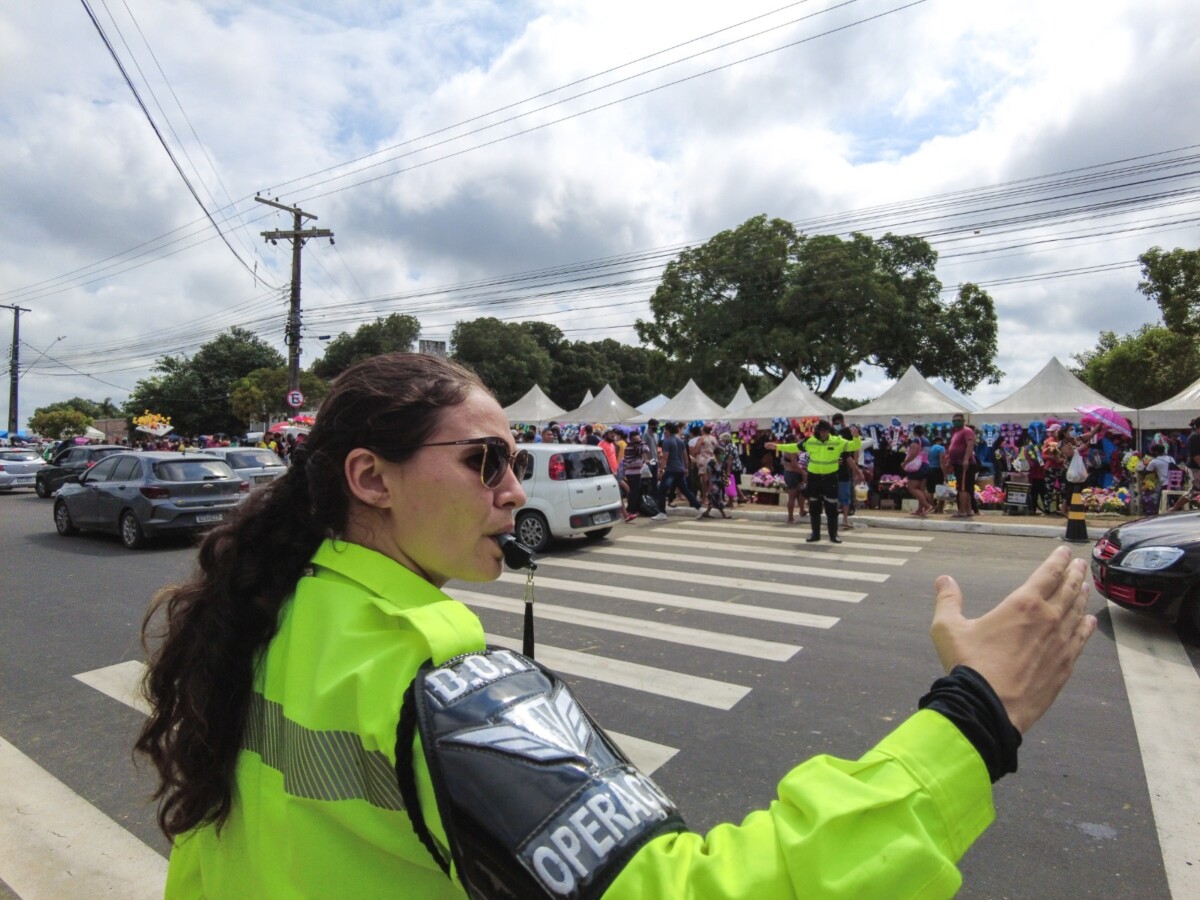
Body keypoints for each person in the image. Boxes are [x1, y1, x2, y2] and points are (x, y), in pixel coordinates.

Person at [136, 352, 1097, 899]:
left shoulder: (274, 606)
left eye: (515, 460)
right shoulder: (433, 675)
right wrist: (971, 721)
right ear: (370, 478)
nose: (515, 491)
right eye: (484, 462)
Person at [767, 420, 861, 543]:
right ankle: (815, 534)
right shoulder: (810, 441)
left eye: (824, 431)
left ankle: (834, 535)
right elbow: (794, 447)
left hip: (830, 478)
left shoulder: (837, 441)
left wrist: (856, 437)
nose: (822, 433)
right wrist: (776, 446)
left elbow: (854, 446)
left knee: (831, 508)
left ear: (828, 431)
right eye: (820, 431)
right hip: (814, 478)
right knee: (814, 506)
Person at [654, 422, 702, 520]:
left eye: (665, 430)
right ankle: (699, 507)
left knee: (662, 490)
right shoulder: (680, 441)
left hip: (671, 469)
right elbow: (685, 455)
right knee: (685, 490)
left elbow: (665, 457)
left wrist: (661, 470)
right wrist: (685, 467)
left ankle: (662, 512)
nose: (664, 432)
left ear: (668, 430)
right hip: (680, 469)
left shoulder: (667, 441)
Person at [945, 414, 977, 519]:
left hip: (964, 463)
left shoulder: (967, 431)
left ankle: (962, 511)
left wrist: (966, 459)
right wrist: (949, 460)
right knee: (965, 488)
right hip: (957, 463)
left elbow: (970, 445)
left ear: (963, 421)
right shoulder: (955, 432)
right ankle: (968, 510)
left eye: (958, 420)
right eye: (954, 420)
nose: (956, 422)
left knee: (963, 489)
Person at [901, 424, 934, 517]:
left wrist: (904, 463)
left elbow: (914, 453)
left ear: (914, 432)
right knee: (920, 488)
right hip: (926, 465)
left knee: (911, 487)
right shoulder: (927, 441)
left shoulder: (916, 440)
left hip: (918, 466)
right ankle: (920, 509)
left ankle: (927, 506)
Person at [1169, 416, 1200, 512]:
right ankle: (1174, 508)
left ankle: (1174, 508)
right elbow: (1196, 456)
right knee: (1196, 489)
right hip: (1195, 467)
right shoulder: (1194, 437)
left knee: (1195, 490)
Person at [621, 430, 650, 522]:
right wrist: (641, 441)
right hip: (634, 473)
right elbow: (645, 449)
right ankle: (631, 510)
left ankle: (632, 508)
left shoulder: (631, 445)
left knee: (634, 491)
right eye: (637, 436)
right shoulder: (633, 446)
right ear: (633, 438)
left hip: (632, 472)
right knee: (633, 492)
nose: (638, 437)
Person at [779, 434, 807, 524]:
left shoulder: (785, 449)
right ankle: (790, 517)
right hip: (792, 474)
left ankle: (802, 510)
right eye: (796, 439)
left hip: (791, 473)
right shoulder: (791, 450)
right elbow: (794, 464)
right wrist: (803, 472)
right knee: (792, 496)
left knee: (801, 492)